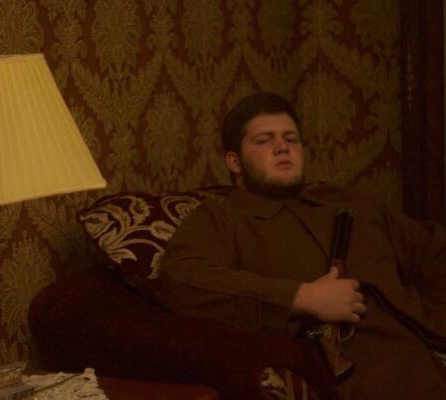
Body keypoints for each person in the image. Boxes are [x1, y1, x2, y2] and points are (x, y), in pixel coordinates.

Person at [157, 92, 446, 399]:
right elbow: (182, 279)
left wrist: (432, 314)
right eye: (264, 140)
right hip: (369, 380)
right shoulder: (221, 218)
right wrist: (301, 297)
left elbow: (434, 250)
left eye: (291, 139)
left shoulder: (349, 201)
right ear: (234, 161)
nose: (283, 147)